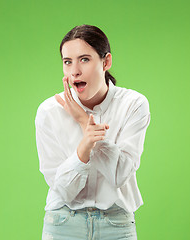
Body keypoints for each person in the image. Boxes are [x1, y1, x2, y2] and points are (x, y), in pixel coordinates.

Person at [35, 24, 151, 240]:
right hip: (63, 224)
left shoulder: (133, 105)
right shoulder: (49, 112)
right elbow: (63, 190)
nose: (74, 71)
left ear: (106, 62)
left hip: (116, 225)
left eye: (84, 59)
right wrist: (84, 148)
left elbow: (119, 175)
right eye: (67, 62)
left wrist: (82, 121)